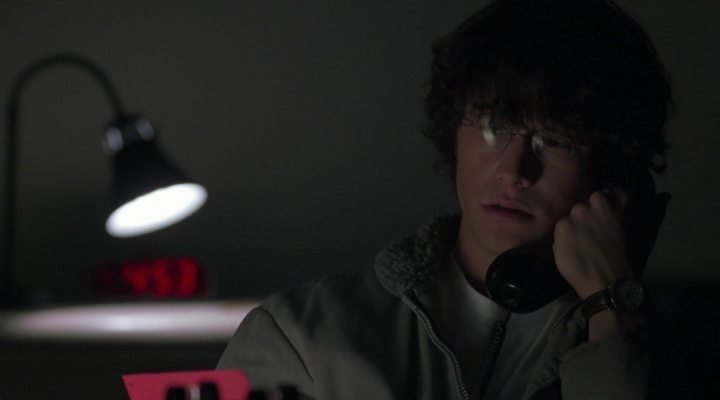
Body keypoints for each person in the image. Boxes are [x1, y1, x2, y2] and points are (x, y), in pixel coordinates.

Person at [218, 0, 680, 398]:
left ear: (615, 171)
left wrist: (613, 304)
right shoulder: (303, 335)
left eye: (557, 141)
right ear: (454, 134)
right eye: (493, 127)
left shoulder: (675, 364)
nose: (515, 170)